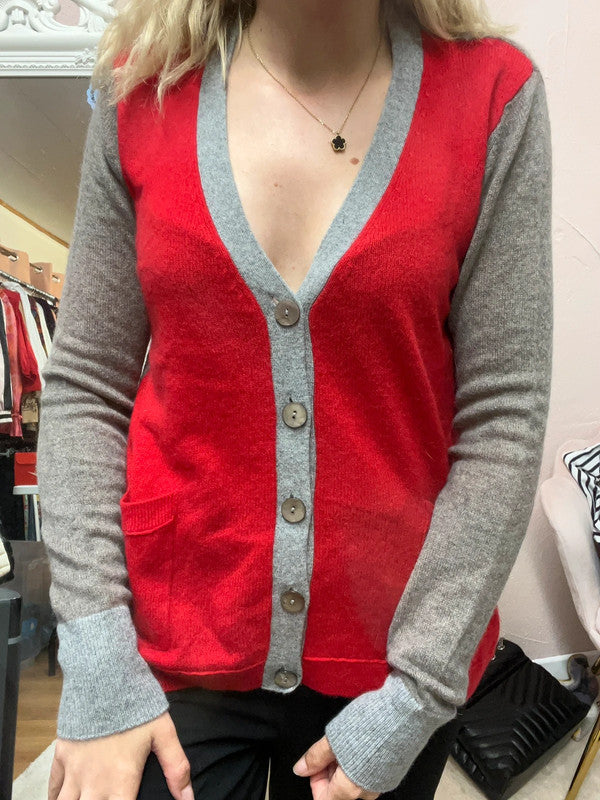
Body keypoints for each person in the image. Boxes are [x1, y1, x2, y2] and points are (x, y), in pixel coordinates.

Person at [36, 0, 553, 798]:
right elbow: (85, 386)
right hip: (169, 647)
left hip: (392, 664)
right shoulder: (143, 93)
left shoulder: (492, 95)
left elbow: (503, 419)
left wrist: (417, 693)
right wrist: (100, 662)